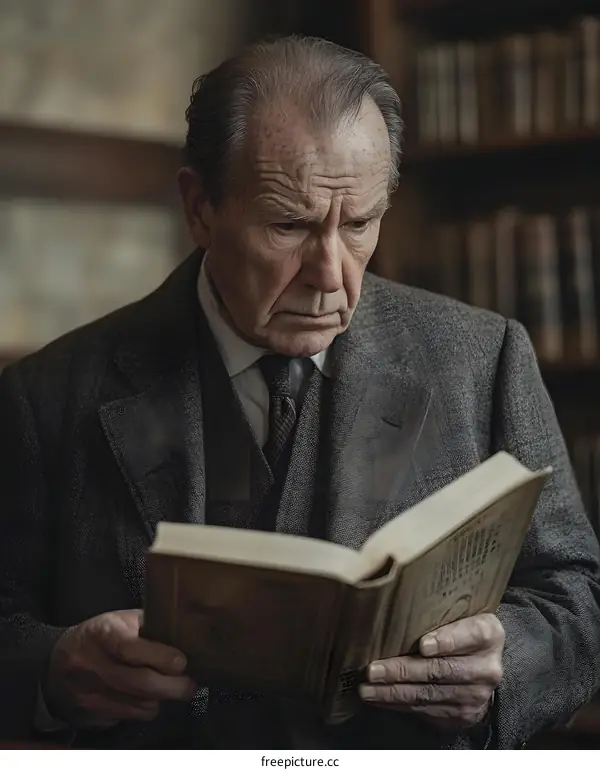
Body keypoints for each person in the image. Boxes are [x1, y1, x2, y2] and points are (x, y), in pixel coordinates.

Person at [1, 35, 599, 751]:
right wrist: (54, 673)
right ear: (199, 208)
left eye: (359, 224)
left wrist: (508, 657)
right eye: (289, 225)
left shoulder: (485, 358)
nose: (330, 275)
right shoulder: (47, 397)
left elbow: (578, 597)